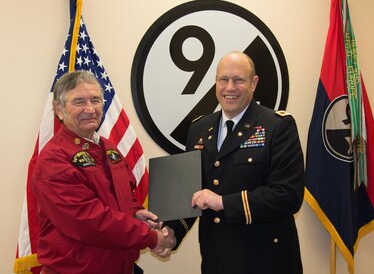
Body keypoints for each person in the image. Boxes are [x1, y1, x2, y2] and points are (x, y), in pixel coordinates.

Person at [164, 52, 305, 274]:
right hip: (217, 258)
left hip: (266, 261)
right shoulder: (199, 128)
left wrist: (223, 202)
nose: (230, 87)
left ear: (254, 83)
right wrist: (170, 232)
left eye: (239, 80)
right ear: (216, 83)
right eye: (224, 79)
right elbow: (189, 192)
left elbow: (288, 195)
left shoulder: (277, 126)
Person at [31, 71, 176, 274]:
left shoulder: (107, 148)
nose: (90, 109)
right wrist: (150, 237)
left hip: (119, 265)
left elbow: (125, 191)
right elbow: (87, 220)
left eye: (95, 100)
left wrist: (135, 212)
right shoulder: (54, 159)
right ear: (59, 110)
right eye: (79, 102)